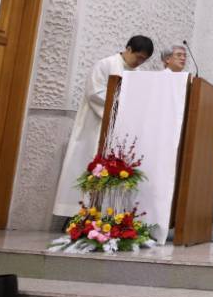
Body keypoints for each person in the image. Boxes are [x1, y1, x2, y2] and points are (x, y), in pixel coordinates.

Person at [52, 35, 153, 217]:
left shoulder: (138, 74)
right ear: (128, 49)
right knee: (88, 162)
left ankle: (108, 213)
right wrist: (122, 103)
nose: (139, 62)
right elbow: (94, 92)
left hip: (120, 130)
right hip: (96, 126)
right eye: (138, 57)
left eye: (144, 60)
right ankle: (80, 212)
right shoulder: (106, 64)